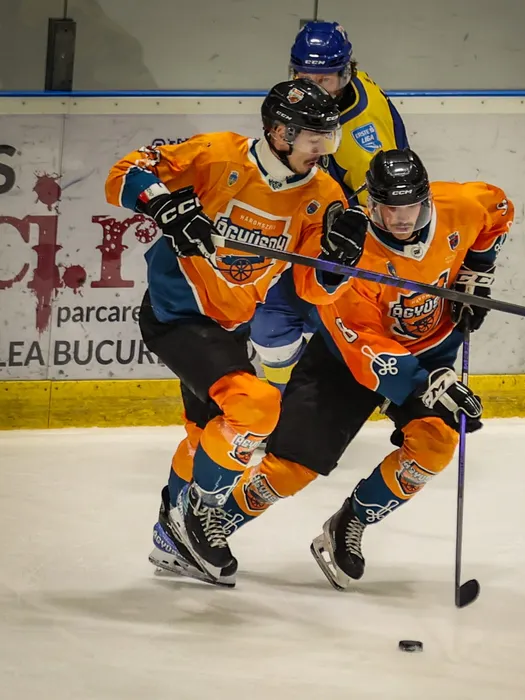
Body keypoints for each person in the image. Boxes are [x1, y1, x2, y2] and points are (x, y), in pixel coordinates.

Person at [195, 148, 514, 589]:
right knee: (292, 466)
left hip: (429, 349)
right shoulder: (350, 253)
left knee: (436, 443)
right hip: (346, 359)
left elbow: (499, 207)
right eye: (389, 208)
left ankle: (351, 521)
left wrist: (476, 272)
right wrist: (427, 387)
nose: (401, 219)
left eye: (411, 207)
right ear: (370, 204)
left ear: (427, 199)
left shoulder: (459, 205)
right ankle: (209, 524)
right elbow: (366, 346)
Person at [104, 79, 369, 585]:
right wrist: (163, 205)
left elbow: (314, 290)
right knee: (256, 406)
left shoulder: (323, 195)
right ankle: (199, 514)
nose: (323, 147)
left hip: (231, 323)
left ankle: (168, 533)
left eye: (329, 136)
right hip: (177, 314)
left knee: (206, 433)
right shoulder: (219, 154)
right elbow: (124, 173)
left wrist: (338, 263)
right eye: (314, 135)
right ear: (279, 132)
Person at [250, 20, 410, 393]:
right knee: (269, 321)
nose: (314, 88)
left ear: (345, 73)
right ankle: (283, 402)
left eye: (325, 80)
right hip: (310, 229)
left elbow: (385, 212)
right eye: (305, 78)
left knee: (290, 320)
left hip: (345, 246)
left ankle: (298, 403)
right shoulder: (327, 99)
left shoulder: (359, 135)